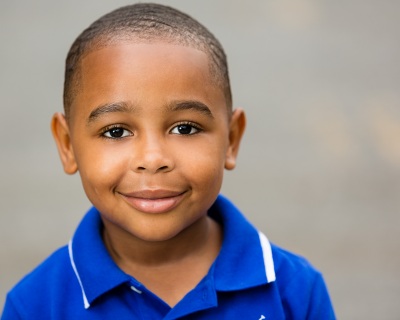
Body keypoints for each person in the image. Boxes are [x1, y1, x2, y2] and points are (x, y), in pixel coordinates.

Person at [2, 3, 335, 319]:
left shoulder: (294, 293)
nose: (152, 159)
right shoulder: (35, 306)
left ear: (231, 139)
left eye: (185, 128)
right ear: (67, 145)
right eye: (116, 132)